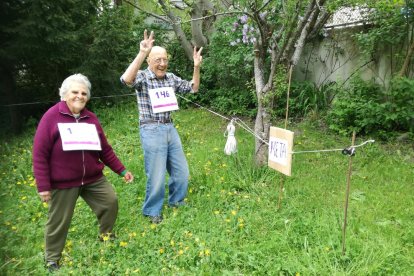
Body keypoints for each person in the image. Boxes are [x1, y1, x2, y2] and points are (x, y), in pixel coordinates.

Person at [32, 73, 134, 271]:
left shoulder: (90, 118)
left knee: (110, 201)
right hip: (63, 182)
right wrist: (43, 186)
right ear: (64, 94)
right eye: (75, 92)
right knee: (59, 221)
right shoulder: (52, 117)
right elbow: (39, 153)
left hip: (92, 178)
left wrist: (122, 171)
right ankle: (52, 258)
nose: (79, 96)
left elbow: (104, 150)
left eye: (84, 93)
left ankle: (106, 236)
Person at [120, 30, 203, 224]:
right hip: (150, 129)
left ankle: (177, 201)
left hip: (169, 129)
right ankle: (152, 210)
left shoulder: (170, 78)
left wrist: (196, 67)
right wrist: (142, 52)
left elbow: (193, 88)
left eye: (165, 59)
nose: (162, 64)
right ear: (149, 60)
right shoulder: (142, 77)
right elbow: (126, 80)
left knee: (181, 171)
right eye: (158, 60)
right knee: (156, 174)